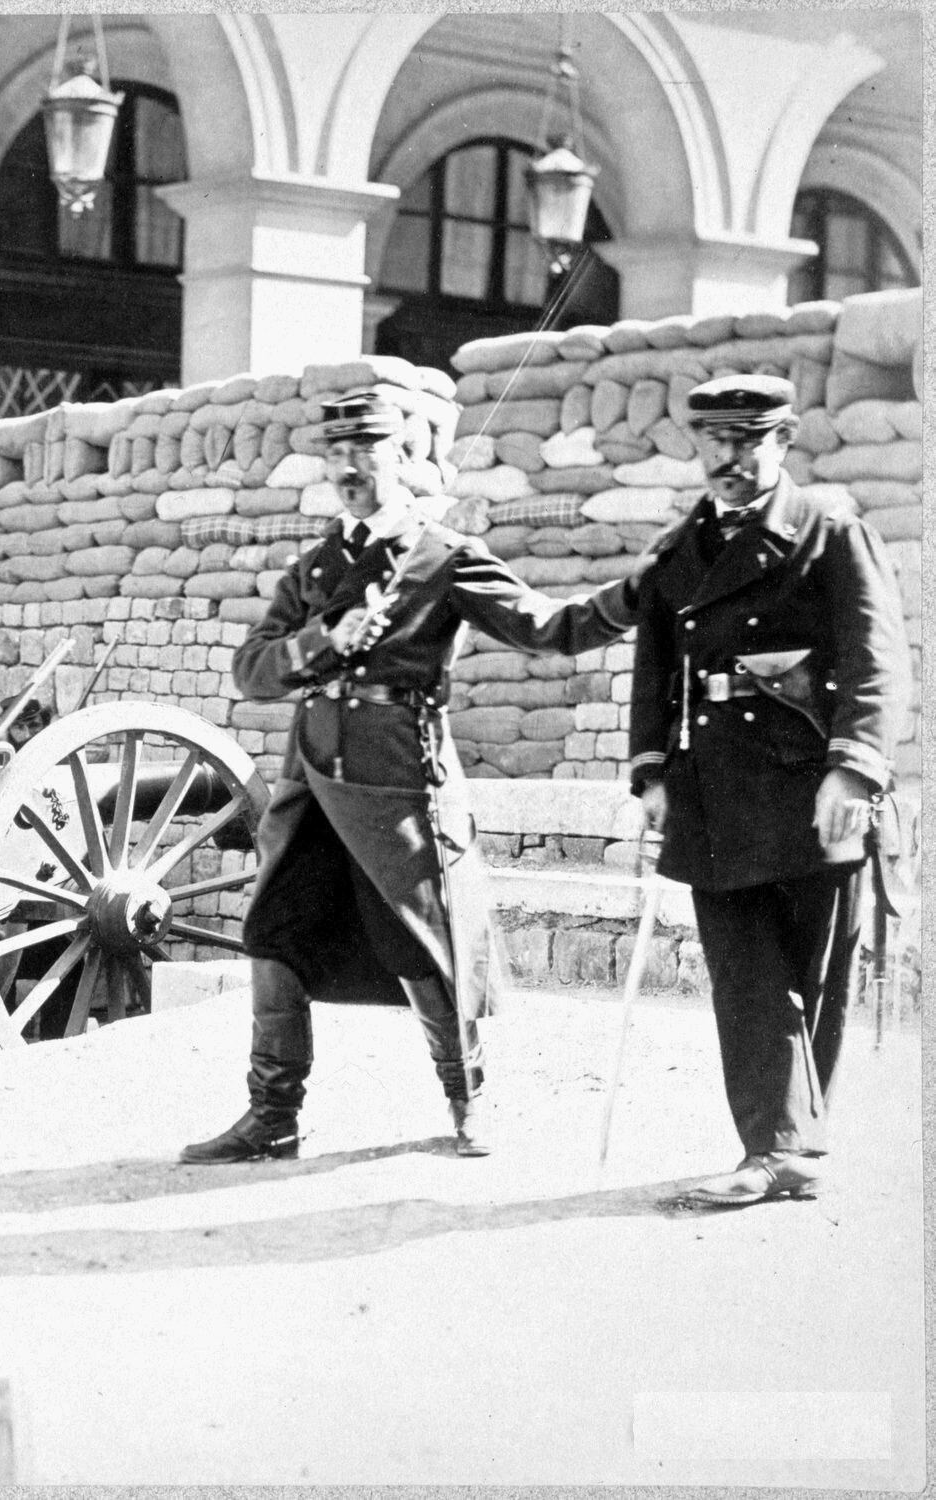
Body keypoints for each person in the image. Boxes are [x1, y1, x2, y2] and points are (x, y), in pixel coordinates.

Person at [181, 390, 642, 1165]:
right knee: (274, 933)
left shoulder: (444, 557)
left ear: (402, 459)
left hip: (399, 778)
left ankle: (470, 1101)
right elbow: (252, 671)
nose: (350, 468)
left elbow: (548, 628)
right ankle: (273, 1116)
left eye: (367, 452)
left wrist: (634, 599)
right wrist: (325, 637)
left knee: (426, 941)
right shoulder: (317, 567)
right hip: (312, 780)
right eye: (337, 454)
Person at [626, 374, 910, 1207]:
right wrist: (650, 772)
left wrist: (854, 767)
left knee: (815, 975)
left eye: (748, 442)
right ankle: (780, 1145)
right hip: (713, 793)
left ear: (783, 443)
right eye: (715, 442)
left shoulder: (829, 530)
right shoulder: (680, 552)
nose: (730, 459)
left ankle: (791, 1143)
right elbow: (654, 672)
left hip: (811, 784)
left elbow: (875, 656)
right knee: (744, 972)